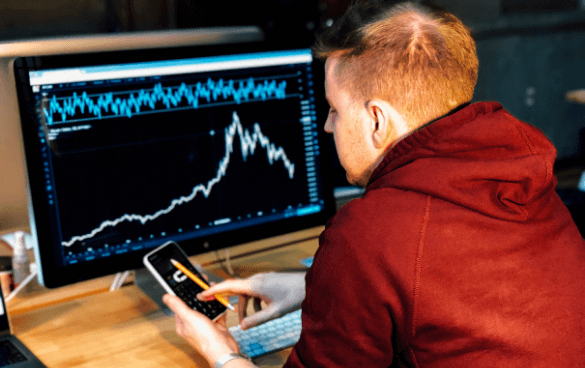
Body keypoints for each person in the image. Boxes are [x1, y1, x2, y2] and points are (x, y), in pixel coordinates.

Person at [163, 1, 585, 367]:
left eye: (334, 109)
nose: (328, 126)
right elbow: (454, 292)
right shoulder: (525, 176)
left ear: (377, 120)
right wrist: (315, 288)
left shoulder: (371, 233)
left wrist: (222, 353)